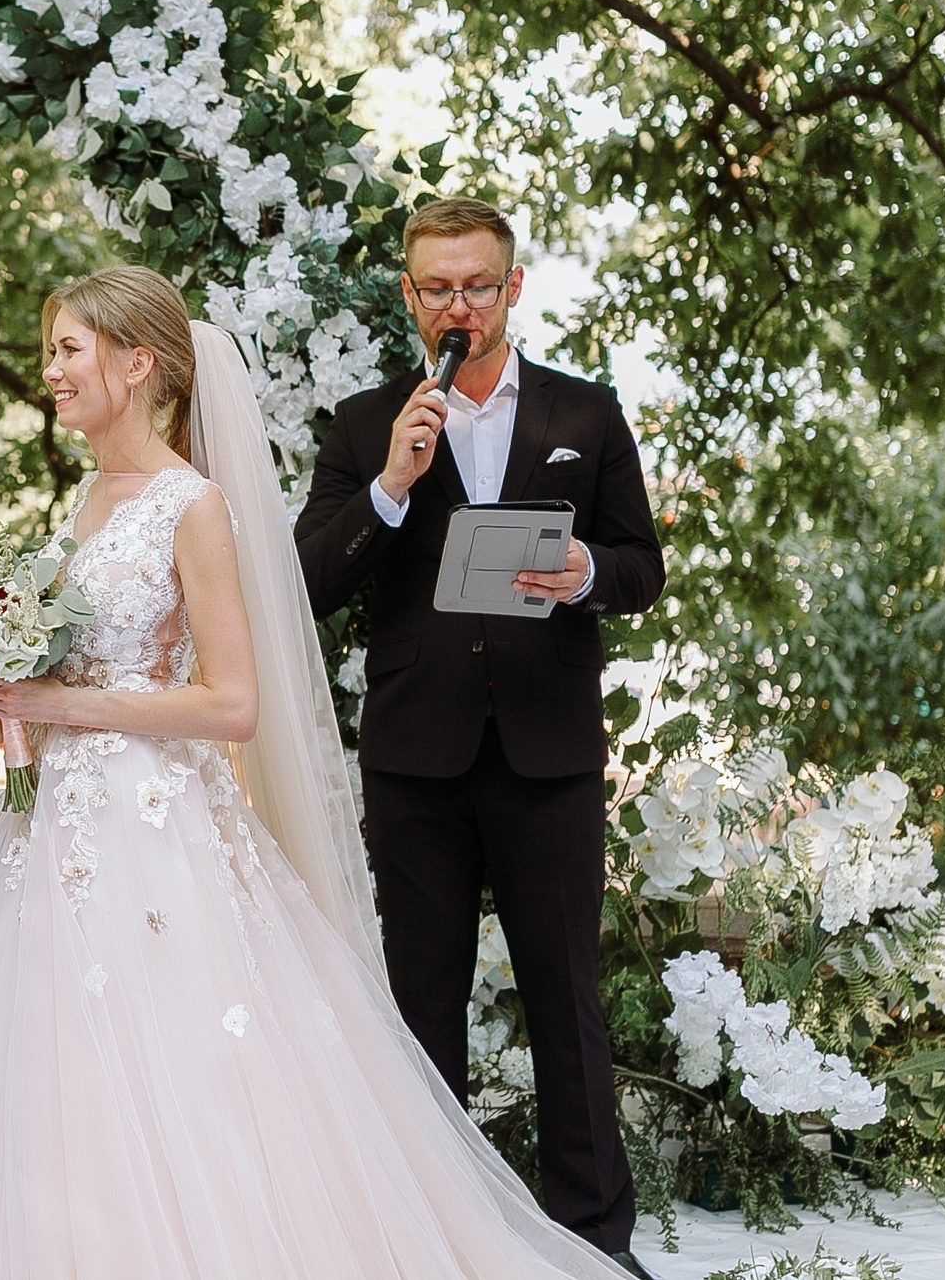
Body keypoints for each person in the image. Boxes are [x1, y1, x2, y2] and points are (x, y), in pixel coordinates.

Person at [0, 266, 627, 1280]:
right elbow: (71, 675)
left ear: (138, 364)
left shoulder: (192, 505)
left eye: (68, 349)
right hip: (60, 833)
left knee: (184, 1082)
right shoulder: (87, 496)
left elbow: (231, 704)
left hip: (160, 837)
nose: (50, 370)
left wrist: (63, 706)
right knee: (59, 1083)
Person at [294, 197, 666, 1272]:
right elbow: (309, 582)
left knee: (565, 997)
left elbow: (640, 566)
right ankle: (431, 1239)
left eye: (477, 284)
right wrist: (393, 487)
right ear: (410, 298)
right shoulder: (367, 425)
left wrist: (587, 573)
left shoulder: (583, 415)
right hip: (416, 758)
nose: (458, 304)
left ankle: (593, 1241)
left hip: (545, 752)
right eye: (436, 287)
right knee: (421, 1005)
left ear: (512, 290)